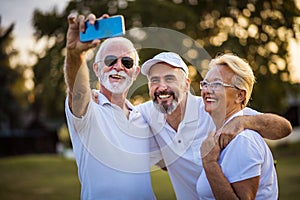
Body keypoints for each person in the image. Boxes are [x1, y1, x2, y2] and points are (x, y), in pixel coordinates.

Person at [137, 52, 291, 200]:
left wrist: (242, 122)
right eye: (154, 80)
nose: (162, 86)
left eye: (170, 79)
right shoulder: (145, 114)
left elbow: (284, 127)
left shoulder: (213, 110)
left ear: (186, 84)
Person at [64, 13, 156, 199]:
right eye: (110, 60)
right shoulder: (89, 111)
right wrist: (75, 54)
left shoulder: (144, 117)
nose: (119, 66)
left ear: (135, 72)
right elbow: (78, 92)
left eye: (127, 62)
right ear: (97, 69)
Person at [197, 53, 278, 199]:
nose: (207, 90)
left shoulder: (243, 140)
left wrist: (209, 162)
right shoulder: (220, 132)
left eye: (217, 84)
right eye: (205, 84)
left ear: (240, 96)